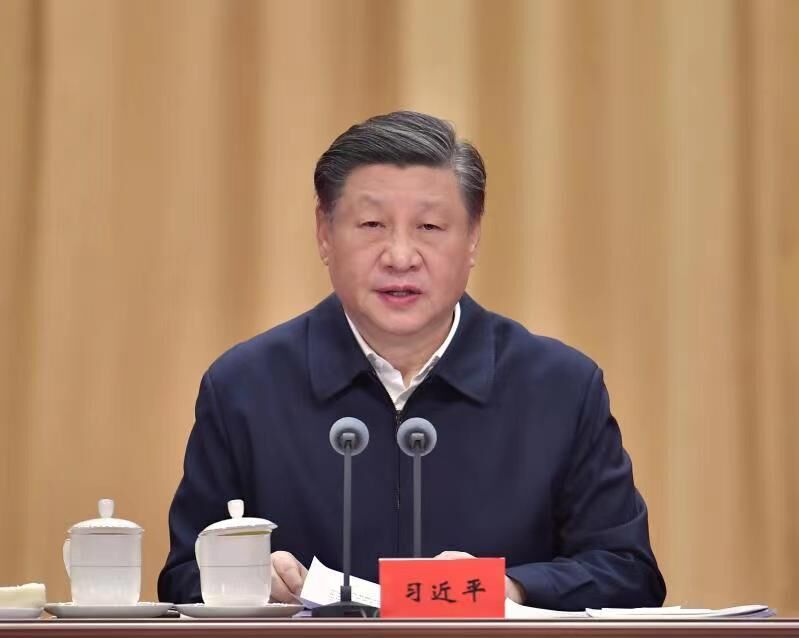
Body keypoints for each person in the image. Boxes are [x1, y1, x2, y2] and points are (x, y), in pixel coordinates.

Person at [158, 111, 666, 610]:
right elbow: (182, 578)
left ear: (472, 238)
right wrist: (245, 580)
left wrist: (504, 588)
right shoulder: (245, 388)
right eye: (372, 224)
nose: (400, 256)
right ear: (324, 233)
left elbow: (628, 573)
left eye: (429, 226)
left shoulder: (560, 388)